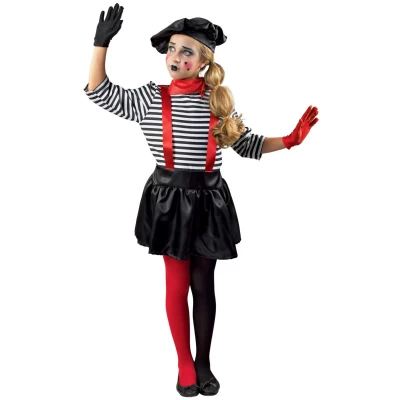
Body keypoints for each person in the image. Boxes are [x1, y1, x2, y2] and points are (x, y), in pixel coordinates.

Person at [83, 4, 319, 397]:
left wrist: (290, 140)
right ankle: (184, 363)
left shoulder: (217, 102)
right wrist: (100, 45)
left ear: (204, 61)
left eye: (186, 51)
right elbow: (99, 92)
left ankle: (204, 361)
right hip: (169, 202)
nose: (175, 57)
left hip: (210, 202)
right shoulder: (150, 98)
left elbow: (248, 144)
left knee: (204, 284)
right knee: (177, 284)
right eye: (171, 49)